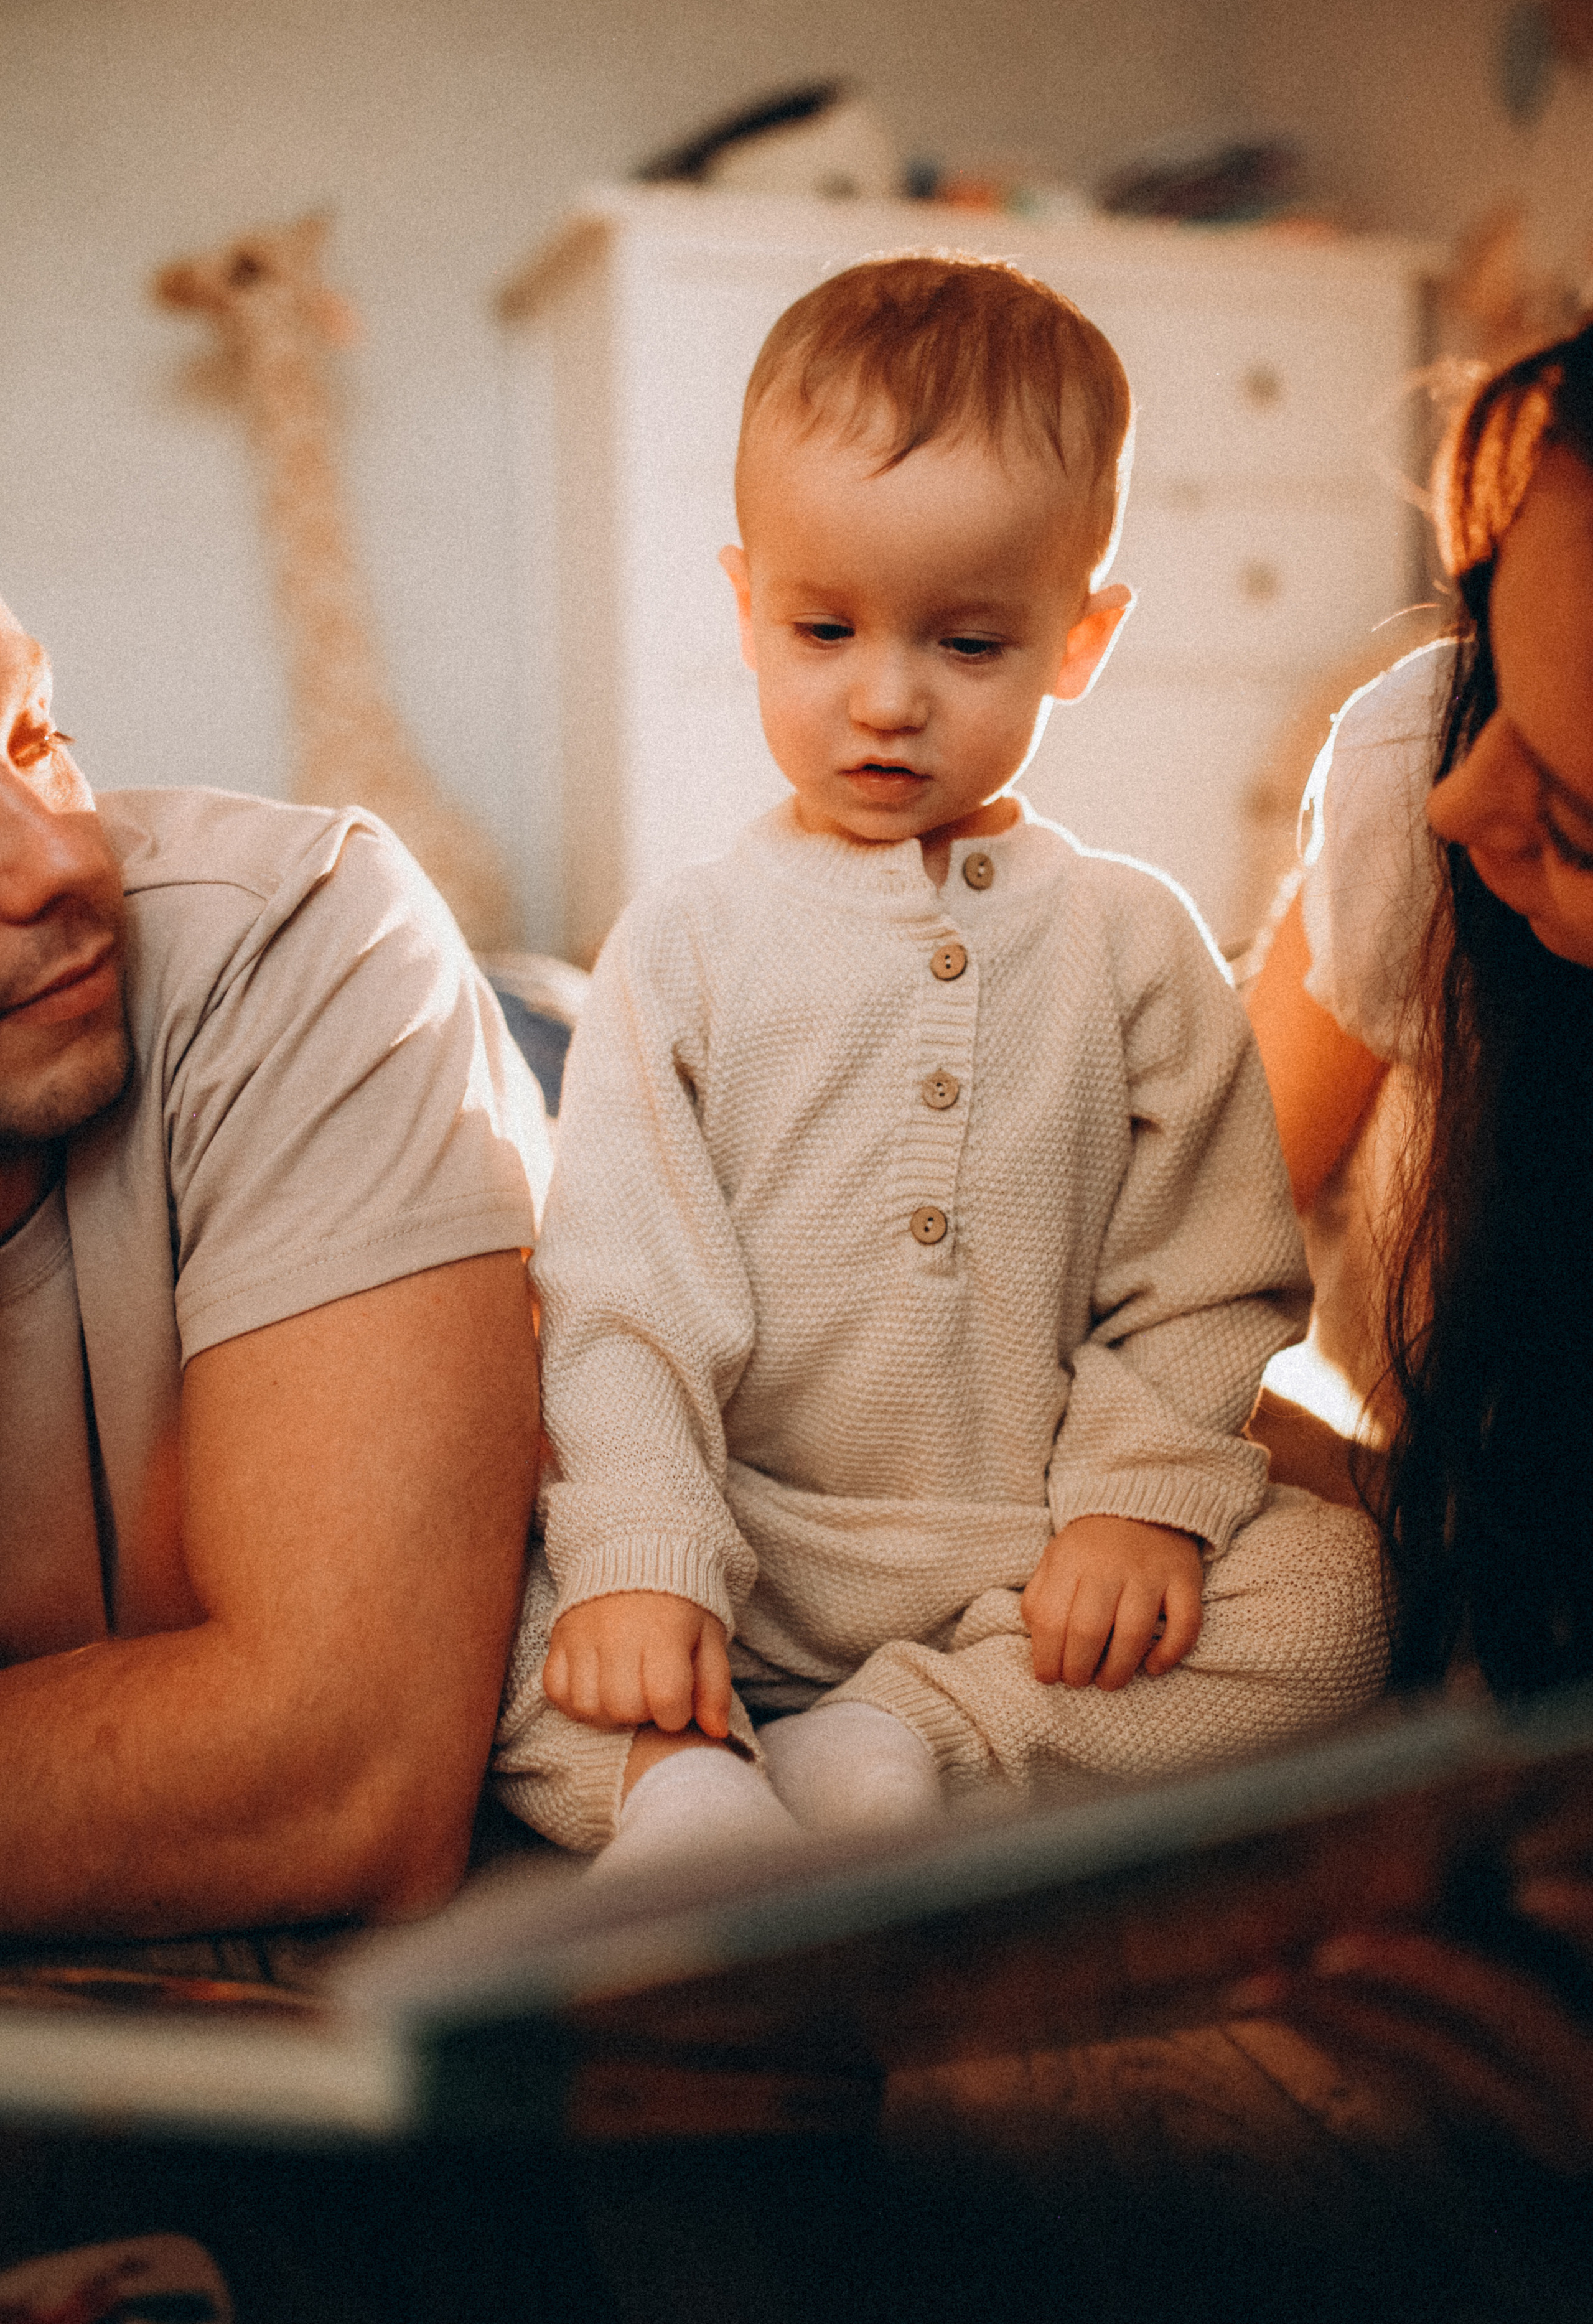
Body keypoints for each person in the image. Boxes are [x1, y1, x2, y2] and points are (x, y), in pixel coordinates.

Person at [493, 254, 1386, 1871]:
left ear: (1081, 638)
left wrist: (1142, 1498)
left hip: (1027, 1570)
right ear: (743, 599)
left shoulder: (1134, 939)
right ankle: (676, 1797)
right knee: (485, 1630)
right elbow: (620, 1298)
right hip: (738, 1546)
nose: (885, 699)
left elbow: (1212, 1270)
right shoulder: (682, 946)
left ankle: (900, 1753)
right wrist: (641, 1558)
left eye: (969, 644)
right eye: (823, 628)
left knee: (1331, 1600)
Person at [0, 592, 549, 1938]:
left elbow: (344, 1767)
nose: (50, 865)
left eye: (32, 736)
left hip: (415, 1101)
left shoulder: (303, 925)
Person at [1248, 320, 1593, 1701]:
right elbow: (1153, 1297)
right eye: (1495, 668)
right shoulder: (1416, 764)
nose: (1466, 804)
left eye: (1572, 816)